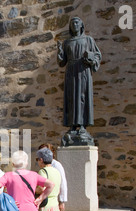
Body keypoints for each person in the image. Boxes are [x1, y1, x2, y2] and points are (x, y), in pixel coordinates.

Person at [57, 16, 102, 146]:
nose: (74, 25)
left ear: (81, 25)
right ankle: (72, 126)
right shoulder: (66, 43)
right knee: (71, 99)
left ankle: (82, 126)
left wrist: (91, 59)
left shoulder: (88, 40)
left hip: (83, 72)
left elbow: (97, 55)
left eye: (77, 23)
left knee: (82, 99)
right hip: (71, 72)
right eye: (72, 23)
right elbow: (62, 62)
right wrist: (60, 51)